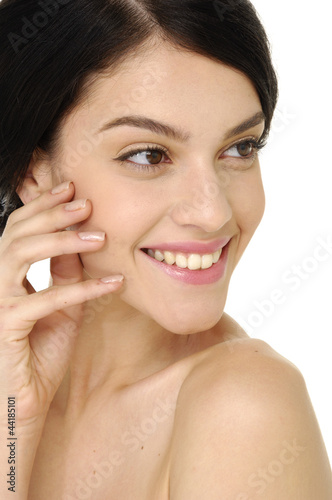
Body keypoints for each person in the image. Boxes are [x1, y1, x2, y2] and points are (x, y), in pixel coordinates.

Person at [0, 0, 331, 498]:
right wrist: (14, 426)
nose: (213, 211)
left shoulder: (245, 404)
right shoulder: (11, 389)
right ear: (34, 172)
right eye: (149, 155)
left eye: (240, 147)